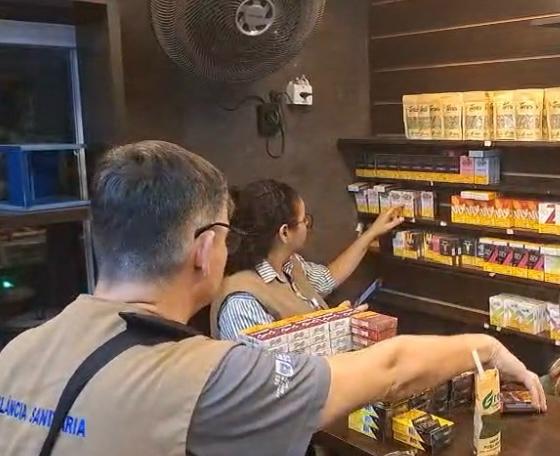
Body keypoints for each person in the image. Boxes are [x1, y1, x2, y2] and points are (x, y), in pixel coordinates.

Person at [0, 141, 546, 456]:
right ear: (205, 248)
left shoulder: (18, 354)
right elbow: (393, 368)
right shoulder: (207, 377)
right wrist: (486, 347)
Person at [210, 179, 403, 340]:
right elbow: (270, 371)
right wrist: (335, 330)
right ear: (285, 232)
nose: (308, 226)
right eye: (304, 220)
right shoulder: (241, 303)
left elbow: (326, 279)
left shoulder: (291, 265)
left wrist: (371, 233)